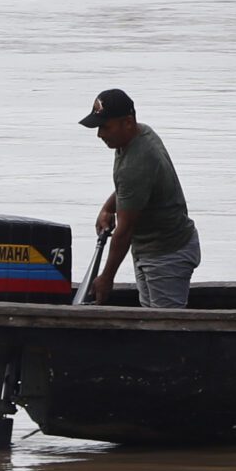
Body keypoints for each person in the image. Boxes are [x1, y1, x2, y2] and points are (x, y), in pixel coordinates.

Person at [78, 88, 202, 307]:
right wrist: (108, 207)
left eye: (105, 127)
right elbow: (130, 190)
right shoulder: (139, 135)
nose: (100, 135)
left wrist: (107, 277)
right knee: (150, 318)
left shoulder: (137, 161)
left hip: (167, 254)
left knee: (166, 328)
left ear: (127, 122)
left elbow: (123, 232)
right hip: (148, 249)